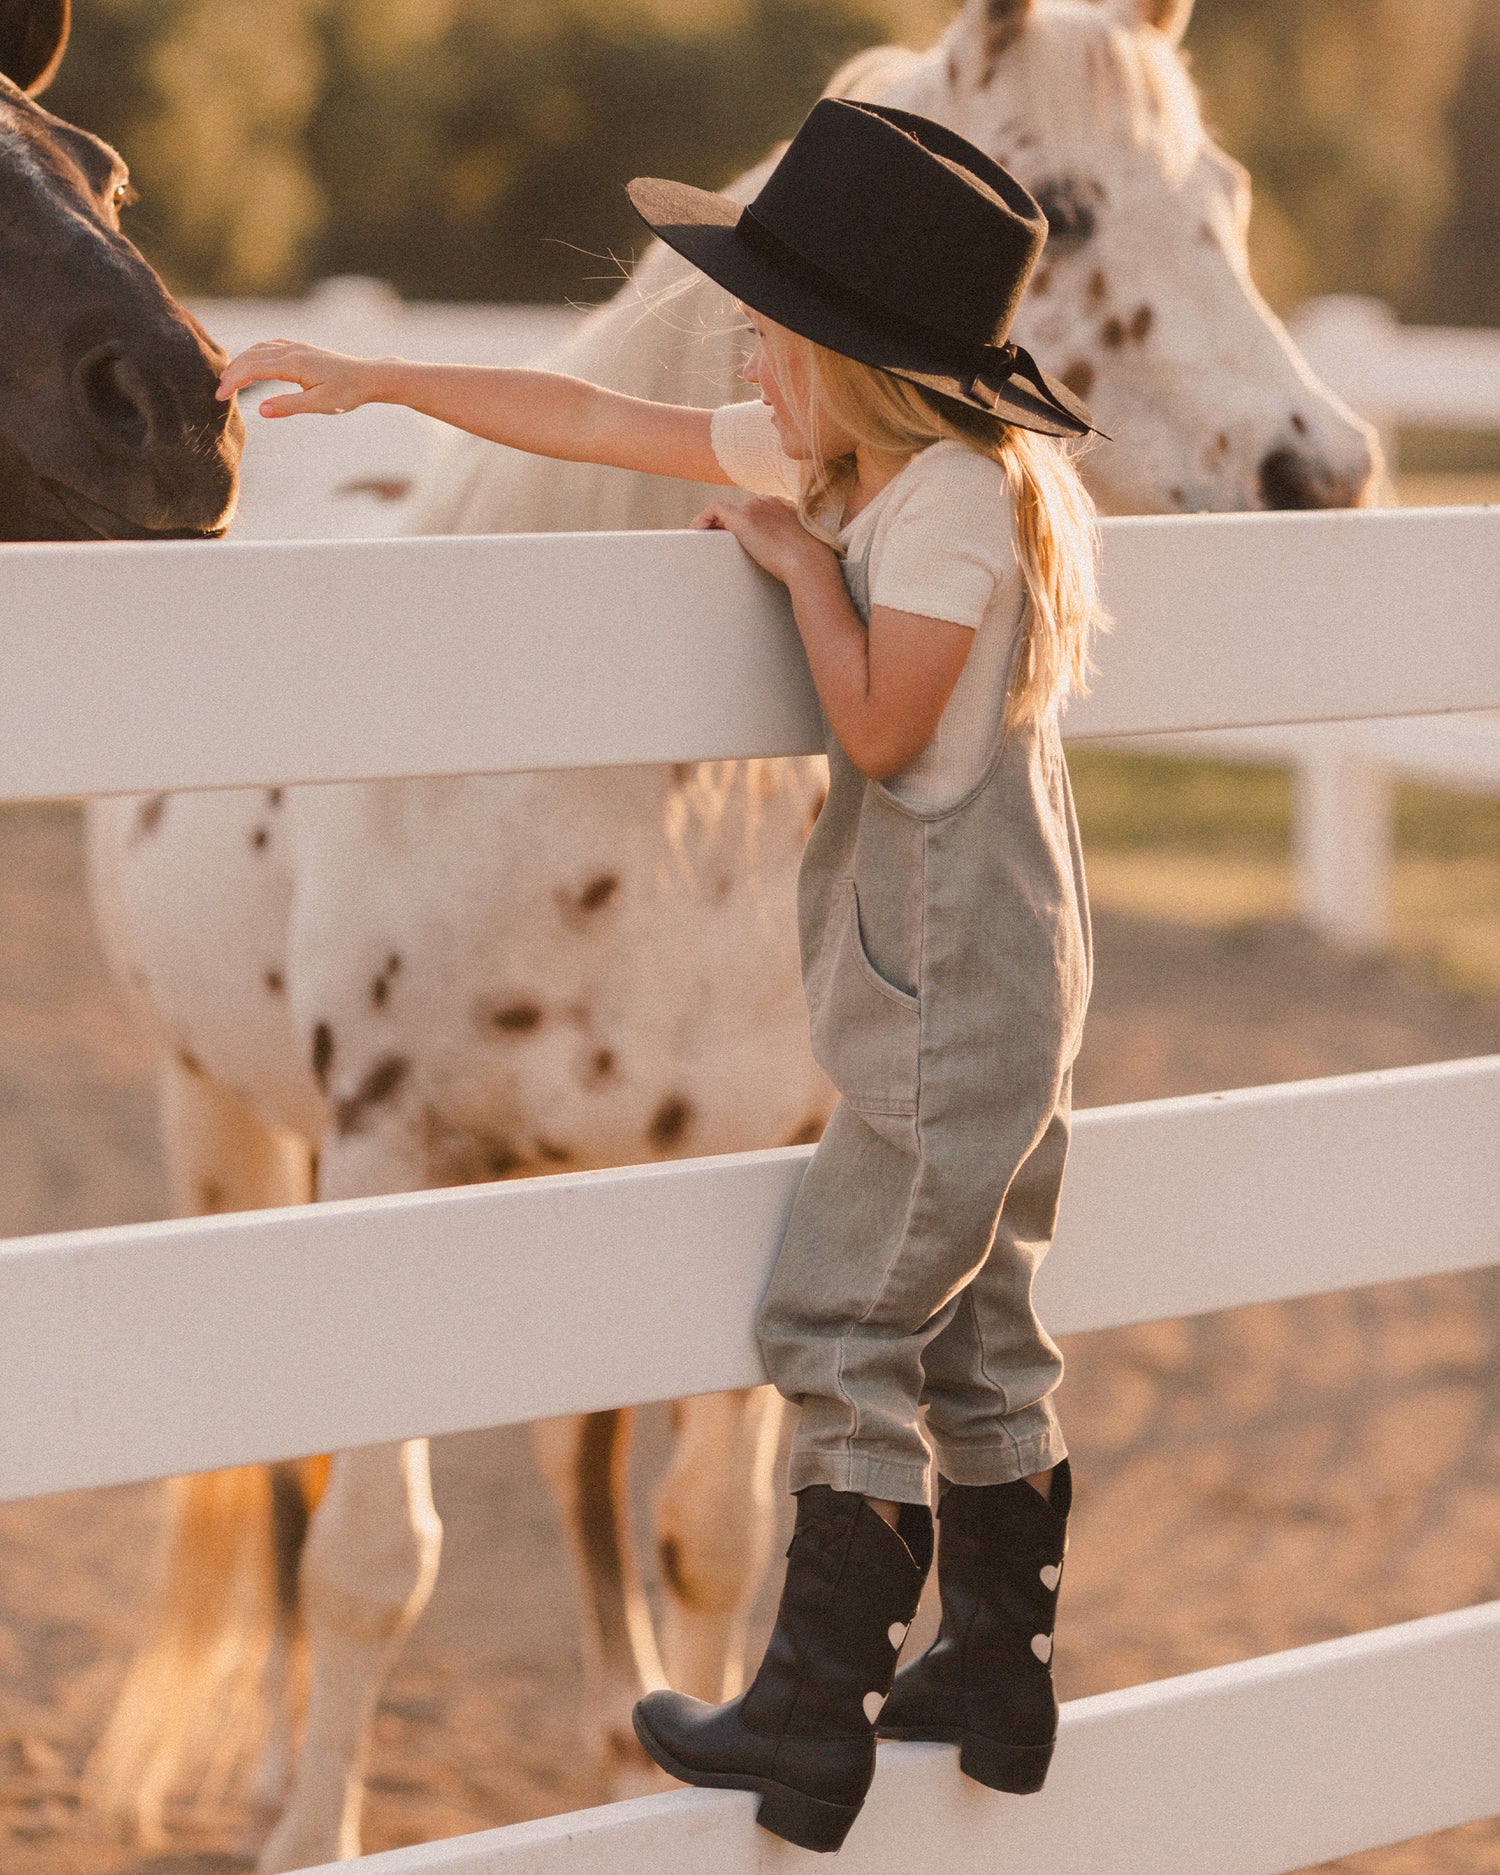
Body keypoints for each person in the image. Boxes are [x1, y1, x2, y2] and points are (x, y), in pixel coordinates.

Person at [217, 97, 1104, 1856]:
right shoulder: (878, 466)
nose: (748, 367)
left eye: (771, 341)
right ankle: (1001, 1670)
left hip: (958, 988)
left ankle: (814, 1711)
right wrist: (383, 385)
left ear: (853, 361)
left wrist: (789, 571)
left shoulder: (938, 516)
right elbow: (595, 417)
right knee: (987, 1332)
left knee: (838, 1326)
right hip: (986, 978)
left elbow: (874, 721)